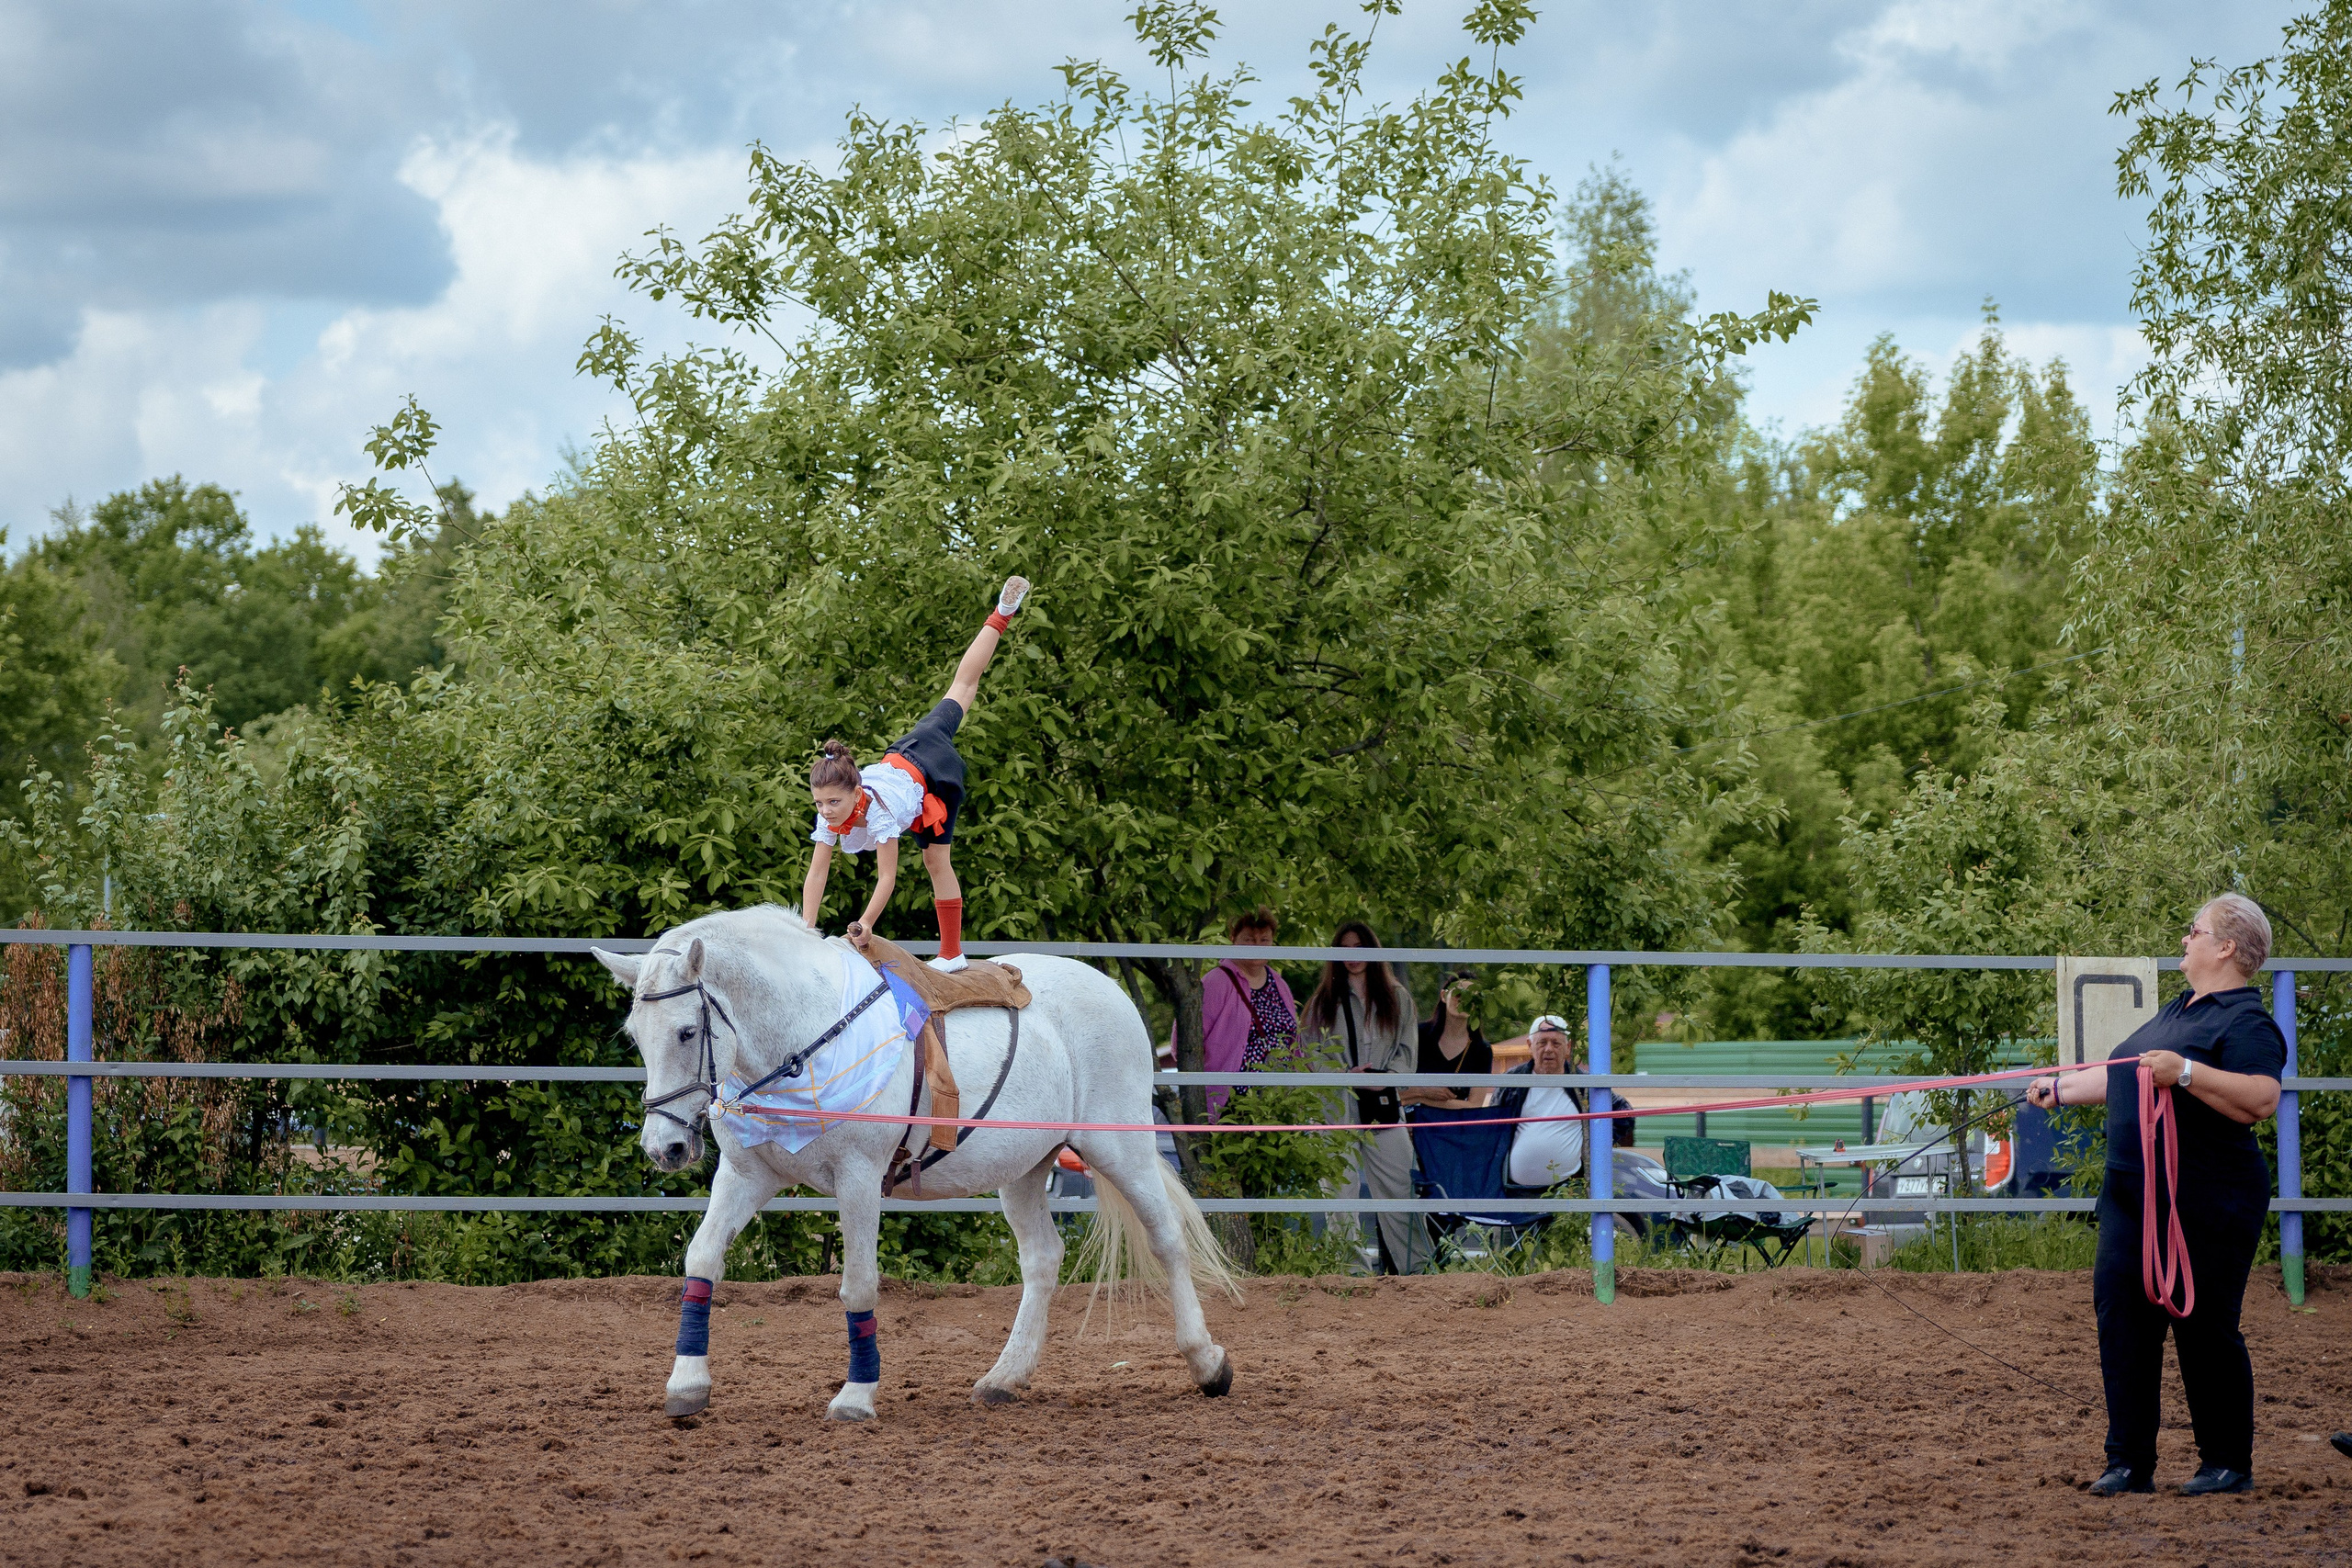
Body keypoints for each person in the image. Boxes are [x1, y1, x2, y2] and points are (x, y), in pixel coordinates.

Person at [2027, 893, 2287, 1497]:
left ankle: (2226, 1461)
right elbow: (2127, 1071)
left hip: (2207, 1199)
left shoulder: (2246, 1022)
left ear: (2225, 946)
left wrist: (2189, 1072)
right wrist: (2058, 1089)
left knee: (2204, 1325)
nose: (2184, 940)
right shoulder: (2178, 1009)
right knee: (2123, 1320)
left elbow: (2261, 1099)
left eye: (2192, 931)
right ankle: (2128, 1461)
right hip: (2131, 1198)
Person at [800, 577, 1028, 972]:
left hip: (933, 772)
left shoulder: (879, 813)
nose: (826, 811)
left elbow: (886, 878)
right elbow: (817, 871)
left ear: (857, 793)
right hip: (909, 747)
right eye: (819, 803)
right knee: (961, 688)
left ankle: (952, 953)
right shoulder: (830, 816)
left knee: (935, 860)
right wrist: (805, 931)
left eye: (833, 802)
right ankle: (1003, 612)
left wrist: (866, 923)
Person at [1300, 921, 1419, 1274]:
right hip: (1335, 1110)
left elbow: (1407, 1054)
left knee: (1401, 1189)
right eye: (1345, 949)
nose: (1353, 956)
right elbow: (1308, 1057)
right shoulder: (1321, 1001)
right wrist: (1343, 1078)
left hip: (1383, 1108)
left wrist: (1382, 1081)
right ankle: (1352, 1274)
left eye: (1360, 947)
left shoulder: (1398, 998)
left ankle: (1414, 1271)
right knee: (1339, 1199)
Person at [1191, 907, 1300, 1118]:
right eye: (1249, 940)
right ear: (1233, 938)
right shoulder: (1216, 982)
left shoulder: (1279, 983)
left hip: (1278, 1102)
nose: (1257, 946)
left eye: (1264, 940)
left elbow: (1295, 1041)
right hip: (1231, 1105)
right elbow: (1184, 1044)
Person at [1491, 1014, 1586, 1192]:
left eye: (1556, 1043)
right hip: (1513, 1189)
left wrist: (1589, 1147)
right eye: (1542, 1043)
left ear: (1568, 1047)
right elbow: (1492, 1129)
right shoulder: (1511, 1082)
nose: (1549, 1049)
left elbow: (1623, 1114)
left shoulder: (1584, 1085)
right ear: (1529, 1045)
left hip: (1567, 1190)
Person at [1404, 971, 1493, 1109]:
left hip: (1453, 1127)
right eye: (1458, 994)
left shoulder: (1481, 1050)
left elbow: (1475, 1105)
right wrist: (1424, 1092)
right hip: (1411, 1124)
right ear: (1444, 996)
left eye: (1471, 997)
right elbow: (1395, 1092)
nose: (1463, 1001)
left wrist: (1422, 1098)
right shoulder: (1417, 1035)